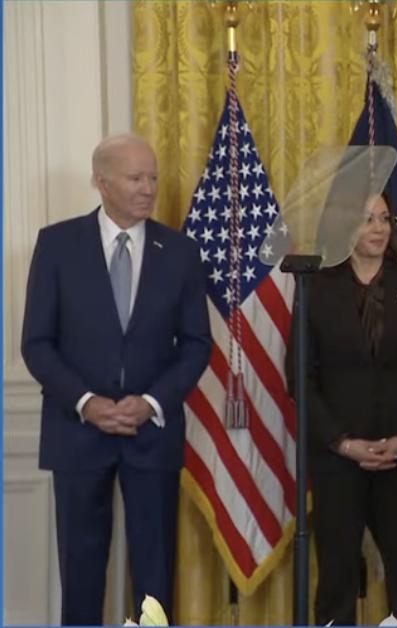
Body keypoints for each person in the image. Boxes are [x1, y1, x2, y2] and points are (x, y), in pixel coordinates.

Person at [21, 133, 212, 624]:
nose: (148, 188)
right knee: (81, 573)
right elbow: (37, 343)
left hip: (151, 435)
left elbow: (196, 345)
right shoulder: (58, 245)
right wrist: (87, 402)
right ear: (102, 182)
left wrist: (150, 402)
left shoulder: (181, 252)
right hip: (78, 433)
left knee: (155, 577)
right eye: (135, 178)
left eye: (152, 177)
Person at [287, 192, 397, 624]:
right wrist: (342, 443)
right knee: (337, 577)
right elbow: (300, 378)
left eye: (384, 219)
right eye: (367, 219)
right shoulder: (316, 286)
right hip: (337, 460)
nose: (379, 228)